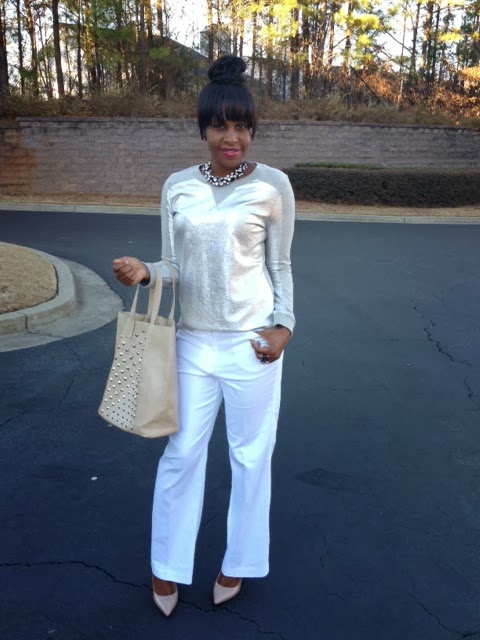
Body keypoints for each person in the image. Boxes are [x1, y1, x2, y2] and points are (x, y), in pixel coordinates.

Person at [112, 54, 295, 616]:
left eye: (241, 126)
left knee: (251, 457)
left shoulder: (273, 186)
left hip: (251, 346)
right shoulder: (177, 187)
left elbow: (281, 266)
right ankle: (166, 566)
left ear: (253, 130)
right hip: (191, 343)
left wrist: (284, 327)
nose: (230, 137)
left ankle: (239, 561)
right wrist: (147, 272)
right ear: (203, 130)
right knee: (182, 454)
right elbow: (173, 264)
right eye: (220, 126)